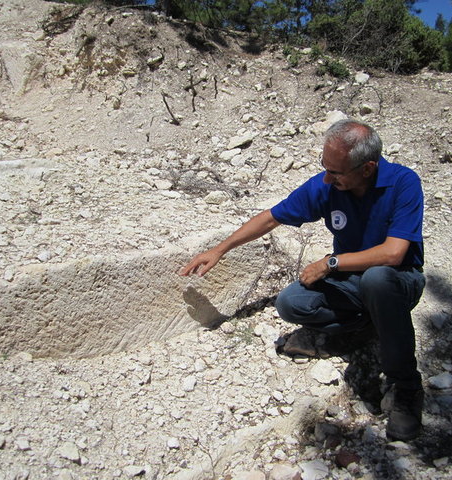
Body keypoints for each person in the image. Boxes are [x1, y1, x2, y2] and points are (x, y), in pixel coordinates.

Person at [179, 119, 426, 441]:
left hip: (398, 281)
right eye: (325, 167)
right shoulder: (328, 186)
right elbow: (271, 218)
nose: (327, 178)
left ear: (367, 169)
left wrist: (331, 263)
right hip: (352, 281)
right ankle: (365, 329)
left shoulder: (403, 183)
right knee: (292, 303)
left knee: (377, 280)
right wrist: (220, 249)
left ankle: (406, 387)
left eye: (335, 172)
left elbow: (393, 253)